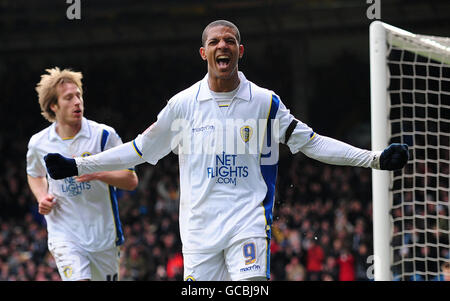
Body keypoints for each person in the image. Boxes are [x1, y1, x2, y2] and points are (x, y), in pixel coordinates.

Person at [43, 20, 409, 281]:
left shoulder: (265, 103)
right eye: (216, 41)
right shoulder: (183, 105)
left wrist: (372, 158)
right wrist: (76, 165)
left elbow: (312, 143)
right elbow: (138, 150)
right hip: (199, 233)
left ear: (239, 50)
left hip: (246, 225)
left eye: (230, 40)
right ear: (204, 52)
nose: (223, 46)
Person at [26, 67, 139, 281]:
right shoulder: (39, 143)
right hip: (65, 234)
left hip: (103, 237)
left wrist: (97, 173)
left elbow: (131, 180)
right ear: (53, 106)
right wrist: (42, 197)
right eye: (68, 98)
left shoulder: (104, 136)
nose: (77, 101)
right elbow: (34, 174)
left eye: (78, 95)